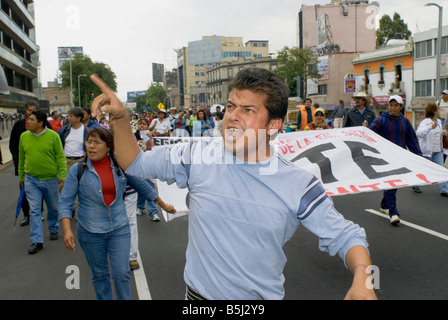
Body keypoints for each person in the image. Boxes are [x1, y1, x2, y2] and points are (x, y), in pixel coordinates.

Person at [90, 68, 376, 300]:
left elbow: (347, 237)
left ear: (274, 124)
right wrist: (122, 119)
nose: (232, 117)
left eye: (248, 110)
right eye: (230, 106)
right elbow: (135, 163)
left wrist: (363, 277)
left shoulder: (299, 184)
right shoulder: (195, 155)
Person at [59, 127, 131, 300]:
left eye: (96, 142)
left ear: (108, 147)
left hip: (119, 228)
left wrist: (162, 203)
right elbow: (66, 202)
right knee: (100, 275)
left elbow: (142, 183)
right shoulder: (77, 170)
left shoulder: (120, 166)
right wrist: (67, 230)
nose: (91, 146)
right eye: (89, 142)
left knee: (122, 273)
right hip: (90, 231)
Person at [368, 96, 422, 225]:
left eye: (395, 105)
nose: (392, 108)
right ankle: (393, 213)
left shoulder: (404, 122)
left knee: (394, 184)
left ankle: (384, 206)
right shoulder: (381, 120)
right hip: (385, 158)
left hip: (400, 157)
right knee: (391, 183)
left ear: (400, 107)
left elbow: (412, 140)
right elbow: (369, 134)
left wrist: (419, 157)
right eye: (390, 105)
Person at [19, 110, 66, 254]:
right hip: (31, 180)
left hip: (50, 180)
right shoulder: (24, 136)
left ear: (40, 123)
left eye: (32, 119)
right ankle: (37, 241)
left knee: (53, 208)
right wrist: (21, 177)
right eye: (28, 119)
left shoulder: (53, 136)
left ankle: (53, 228)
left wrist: (63, 175)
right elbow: (22, 158)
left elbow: (60, 157)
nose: (28, 122)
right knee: (34, 210)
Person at [9, 102, 47, 227]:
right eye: (29, 110)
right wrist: (17, 158)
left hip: (40, 166)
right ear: (26, 110)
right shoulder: (19, 125)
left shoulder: (44, 124)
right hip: (23, 165)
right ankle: (27, 215)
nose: (31, 113)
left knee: (39, 191)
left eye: (34, 110)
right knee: (24, 191)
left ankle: (38, 212)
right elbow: (13, 144)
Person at [416, 103, 448, 197]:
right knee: (422, 170)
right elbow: (419, 133)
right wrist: (430, 127)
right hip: (427, 152)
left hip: (438, 151)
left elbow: (437, 135)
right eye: (438, 109)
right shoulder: (425, 122)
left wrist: (442, 133)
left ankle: (444, 190)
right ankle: (416, 185)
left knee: (441, 170)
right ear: (434, 111)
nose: (439, 111)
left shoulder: (439, 122)